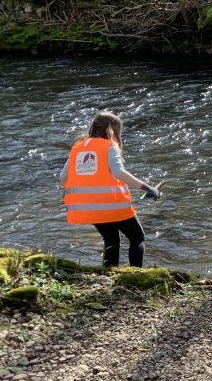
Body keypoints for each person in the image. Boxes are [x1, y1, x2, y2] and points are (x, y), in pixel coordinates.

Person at [60, 111, 161, 268]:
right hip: (112, 205)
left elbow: (62, 177)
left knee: (111, 240)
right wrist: (148, 188)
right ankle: (135, 274)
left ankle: (108, 273)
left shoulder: (77, 148)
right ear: (111, 130)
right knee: (137, 237)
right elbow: (119, 172)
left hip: (88, 208)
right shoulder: (108, 146)